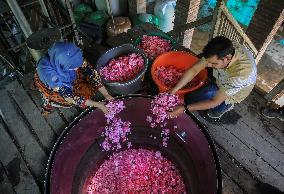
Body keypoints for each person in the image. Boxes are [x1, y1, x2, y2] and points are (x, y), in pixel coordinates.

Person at [169, 36, 257, 119]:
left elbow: (215, 101)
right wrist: (174, 90)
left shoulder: (240, 75)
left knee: (206, 103)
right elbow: (194, 69)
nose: (209, 65)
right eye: (209, 62)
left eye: (214, 63)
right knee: (194, 95)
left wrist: (184, 109)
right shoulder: (224, 48)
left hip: (234, 92)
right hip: (223, 76)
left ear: (227, 58)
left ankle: (225, 107)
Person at [35, 42, 113, 115]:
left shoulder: (70, 55)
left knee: (87, 82)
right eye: (73, 67)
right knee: (67, 101)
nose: (77, 69)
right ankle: (50, 102)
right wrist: (97, 104)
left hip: (65, 72)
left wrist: (106, 94)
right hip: (52, 84)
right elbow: (69, 97)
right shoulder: (51, 76)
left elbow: (90, 72)